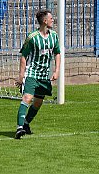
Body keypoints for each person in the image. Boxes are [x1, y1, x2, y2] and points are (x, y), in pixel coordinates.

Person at [15, 10, 61, 139]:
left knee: (38, 103)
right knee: (27, 98)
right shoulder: (32, 37)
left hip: (44, 75)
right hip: (32, 73)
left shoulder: (54, 36)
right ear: (45, 21)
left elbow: (57, 53)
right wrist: (21, 75)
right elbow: (23, 56)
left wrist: (56, 71)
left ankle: (26, 123)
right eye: (51, 18)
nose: (53, 20)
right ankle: (19, 128)